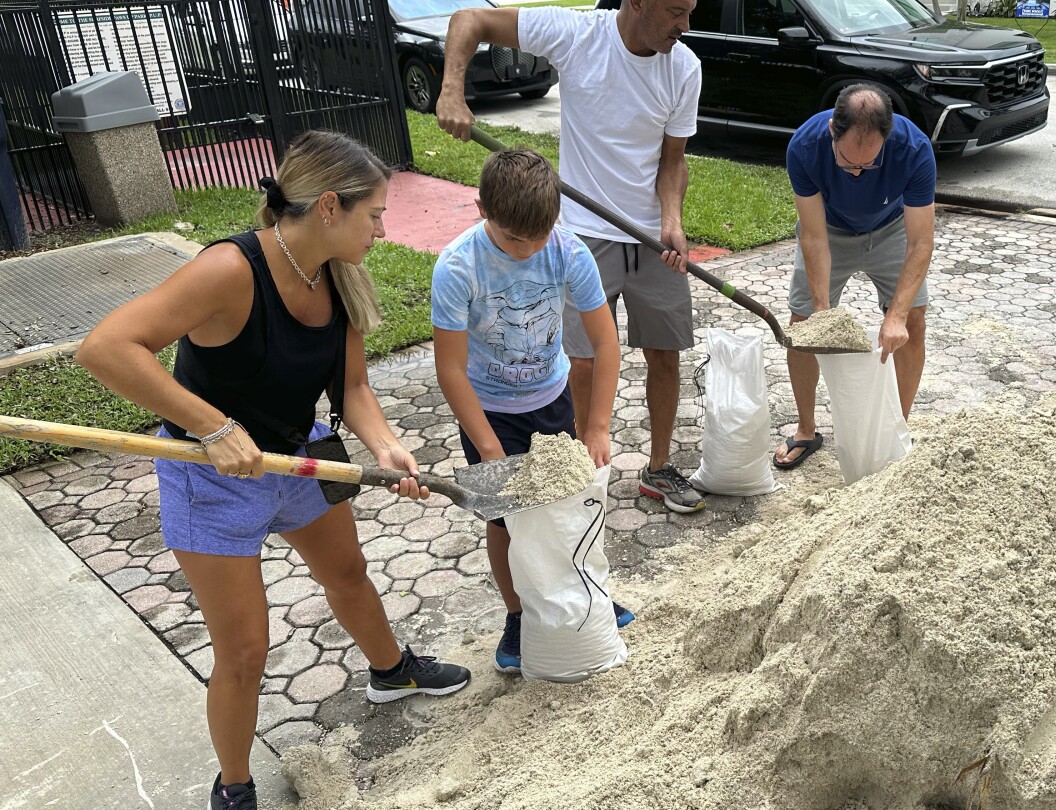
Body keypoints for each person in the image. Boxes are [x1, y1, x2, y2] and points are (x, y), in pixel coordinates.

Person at [75, 131, 471, 810]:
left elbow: (352, 391)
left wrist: (385, 447)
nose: (383, 227)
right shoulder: (231, 270)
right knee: (246, 651)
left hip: (298, 455)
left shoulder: (340, 275)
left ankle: (390, 672)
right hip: (210, 480)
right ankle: (233, 785)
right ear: (327, 208)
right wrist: (214, 426)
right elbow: (106, 348)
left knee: (348, 574)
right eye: (373, 213)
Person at [435, 0, 706, 513]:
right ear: (639, 2)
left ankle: (659, 468)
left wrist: (671, 219)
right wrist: (452, 89)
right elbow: (469, 19)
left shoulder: (684, 67)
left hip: (650, 236)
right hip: (584, 234)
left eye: (689, 11)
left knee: (665, 354)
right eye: (676, 11)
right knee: (583, 360)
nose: (685, 26)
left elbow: (674, 161)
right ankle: (583, 468)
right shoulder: (577, 35)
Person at [431, 148, 628, 674]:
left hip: (550, 396)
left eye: (538, 236)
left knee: (564, 503)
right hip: (487, 408)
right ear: (480, 209)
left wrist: (598, 424)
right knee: (504, 519)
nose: (528, 250)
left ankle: (584, 593)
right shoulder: (456, 267)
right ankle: (518, 613)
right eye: (515, 238)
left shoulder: (567, 251)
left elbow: (606, 343)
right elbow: (449, 369)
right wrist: (490, 447)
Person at [773, 84, 937, 469]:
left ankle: (897, 432)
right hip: (829, 229)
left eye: (869, 163)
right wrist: (822, 311)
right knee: (804, 325)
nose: (858, 171)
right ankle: (806, 429)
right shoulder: (804, 147)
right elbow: (813, 237)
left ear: (889, 134)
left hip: (892, 230)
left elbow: (921, 242)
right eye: (848, 163)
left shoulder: (914, 149)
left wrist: (894, 316)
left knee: (912, 320)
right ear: (832, 130)